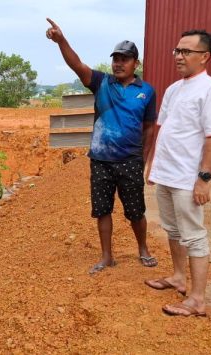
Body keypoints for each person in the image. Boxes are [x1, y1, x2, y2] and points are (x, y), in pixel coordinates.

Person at [45, 18, 158, 274]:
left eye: (124, 59)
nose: (118, 63)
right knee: (102, 209)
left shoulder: (147, 91)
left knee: (135, 210)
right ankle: (107, 256)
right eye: (115, 59)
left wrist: (145, 158)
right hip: (101, 160)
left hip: (130, 160)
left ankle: (143, 248)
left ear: (135, 64)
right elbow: (76, 64)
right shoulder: (101, 83)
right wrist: (61, 40)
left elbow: (149, 126)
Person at [144, 29, 211, 316]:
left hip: (186, 178)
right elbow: (164, 130)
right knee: (173, 230)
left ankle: (197, 299)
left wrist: (204, 179)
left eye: (186, 52)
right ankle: (179, 277)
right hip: (166, 173)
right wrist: (152, 165)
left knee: (193, 235)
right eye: (177, 51)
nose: (179, 56)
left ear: (204, 56)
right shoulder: (173, 89)